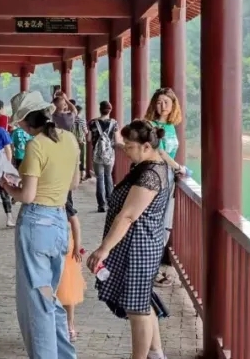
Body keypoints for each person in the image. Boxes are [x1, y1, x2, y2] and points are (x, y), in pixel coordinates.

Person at [0, 91, 80, 358]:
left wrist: (7, 187)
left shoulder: (36, 145)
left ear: (24, 121)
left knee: (38, 303)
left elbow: (28, 196)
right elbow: (74, 183)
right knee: (50, 298)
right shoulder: (69, 138)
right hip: (59, 221)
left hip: (36, 222)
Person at [87, 121, 174, 359]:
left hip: (139, 247)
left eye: (129, 145)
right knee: (141, 302)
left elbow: (128, 216)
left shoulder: (150, 175)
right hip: (139, 244)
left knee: (137, 309)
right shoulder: (152, 165)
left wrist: (103, 249)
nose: (125, 149)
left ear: (146, 146)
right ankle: (156, 354)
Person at [142, 87, 188, 287]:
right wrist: (179, 167)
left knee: (163, 222)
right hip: (155, 176)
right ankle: (149, 270)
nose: (163, 106)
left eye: (166, 102)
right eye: (159, 102)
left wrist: (175, 169)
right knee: (152, 221)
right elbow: (159, 152)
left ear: (173, 105)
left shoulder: (171, 126)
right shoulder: (150, 126)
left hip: (168, 177)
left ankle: (152, 268)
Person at [57, 196, 86, 342]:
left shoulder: (62, 200)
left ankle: (69, 325)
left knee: (67, 290)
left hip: (65, 251)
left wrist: (77, 246)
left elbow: (75, 221)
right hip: (47, 249)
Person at [88, 101, 118, 212]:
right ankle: (110, 203)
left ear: (100, 109)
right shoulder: (114, 123)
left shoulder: (92, 123)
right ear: (110, 110)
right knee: (108, 176)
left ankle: (101, 205)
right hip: (109, 155)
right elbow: (117, 140)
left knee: (100, 178)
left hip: (97, 154)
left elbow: (89, 139)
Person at [72, 103, 88, 179]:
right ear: (80, 111)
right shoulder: (82, 120)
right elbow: (86, 131)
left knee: (73, 157)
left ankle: (74, 174)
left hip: (72, 141)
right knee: (81, 157)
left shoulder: (71, 119)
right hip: (81, 141)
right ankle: (81, 175)